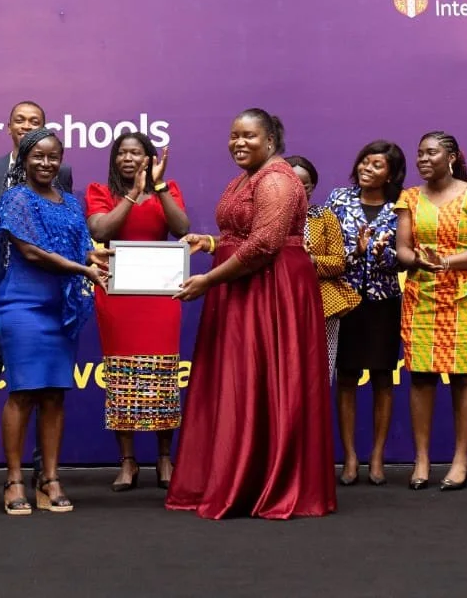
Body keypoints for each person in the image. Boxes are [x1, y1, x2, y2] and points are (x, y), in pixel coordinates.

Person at [167, 108, 336, 520]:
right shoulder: (247, 178)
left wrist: (209, 280)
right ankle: (235, 475)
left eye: (249, 136)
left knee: (265, 379)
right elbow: (241, 234)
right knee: (242, 381)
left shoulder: (277, 179)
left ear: (271, 141)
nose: (238, 143)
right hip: (244, 287)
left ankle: (264, 483)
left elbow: (263, 246)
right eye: (234, 135)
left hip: (271, 289)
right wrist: (211, 243)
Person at [0, 128, 111, 515]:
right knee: (23, 393)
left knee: (55, 393)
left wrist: (93, 258)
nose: (45, 163)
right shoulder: (16, 198)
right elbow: (32, 252)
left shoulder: (71, 203)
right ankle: (13, 480)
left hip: (61, 309)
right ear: (24, 159)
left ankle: (49, 479)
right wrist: (82, 269)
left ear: (61, 160)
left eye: (53, 156)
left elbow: (80, 248)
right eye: (38, 156)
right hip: (23, 306)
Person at [0, 101, 74, 488]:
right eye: (20, 121)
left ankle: (42, 468)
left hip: (45, 292)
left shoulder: (60, 174)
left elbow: (63, 231)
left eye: (35, 121)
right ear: (8, 127)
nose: (27, 125)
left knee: (43, 385)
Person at [86, 133, 190, 491]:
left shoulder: (167, 189)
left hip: (160, 296)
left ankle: (164, 458)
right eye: (122, 153)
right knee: (122, 379)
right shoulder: (101, 191)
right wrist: (132, 193)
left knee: (162, 378)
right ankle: (128, 461)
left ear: (149, 158)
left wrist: (157, 186)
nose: (128, 159)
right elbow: (101, 229)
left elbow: (182, 228)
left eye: (136, 153)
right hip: (119, 297)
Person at [394, 131, 467, 492]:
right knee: (421, 376)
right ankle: (421, 459)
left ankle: (460, 460)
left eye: (431, 153)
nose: (422, 159)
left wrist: (447, 262)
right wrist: (416, 260)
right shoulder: (409, 197)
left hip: (465, 295)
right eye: (420, 153)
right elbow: (402, 248)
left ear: (451, 157)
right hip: (421, 295)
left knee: (463, 376)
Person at [325, 140, 406, 487]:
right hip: (344, 301)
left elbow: (404, 259)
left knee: (382, 378)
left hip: (383, 302)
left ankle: (376, 457)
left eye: (376, 165)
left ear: (391, 174)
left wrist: (381, 252)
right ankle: (350, 457)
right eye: (364, 161)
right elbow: (327, 249)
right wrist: (356, 252)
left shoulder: (402, 207)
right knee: (346, 377)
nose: (366, 168)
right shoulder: (338, 199)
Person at [285, 155, 358, 383]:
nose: (297, 190)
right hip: (280, 302)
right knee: (284, 371)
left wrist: (311, 260)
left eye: (304, 185)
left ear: (313, 187)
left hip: (322, 304)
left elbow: (338, 262)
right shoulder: (267, 218)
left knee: (320, 371)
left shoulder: (325, 217)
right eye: (290, 183)